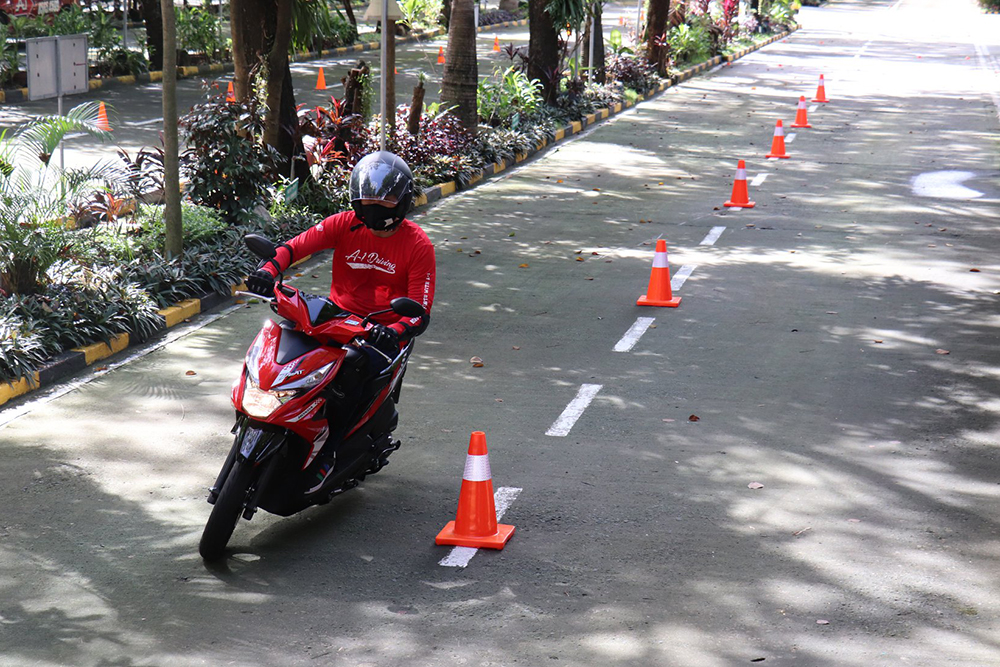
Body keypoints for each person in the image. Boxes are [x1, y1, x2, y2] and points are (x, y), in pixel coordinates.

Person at [246, 151, 436, 399]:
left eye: (386, 199)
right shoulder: (343, 224)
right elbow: (292, 248)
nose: (375, 206)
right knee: (279, 350)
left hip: (380, 335)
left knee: (352, 380)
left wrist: (393, 331)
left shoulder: (419, 245)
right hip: (335, 321)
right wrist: (266, 271)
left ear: (401, 199)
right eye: (367, 198)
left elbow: (419, 313)